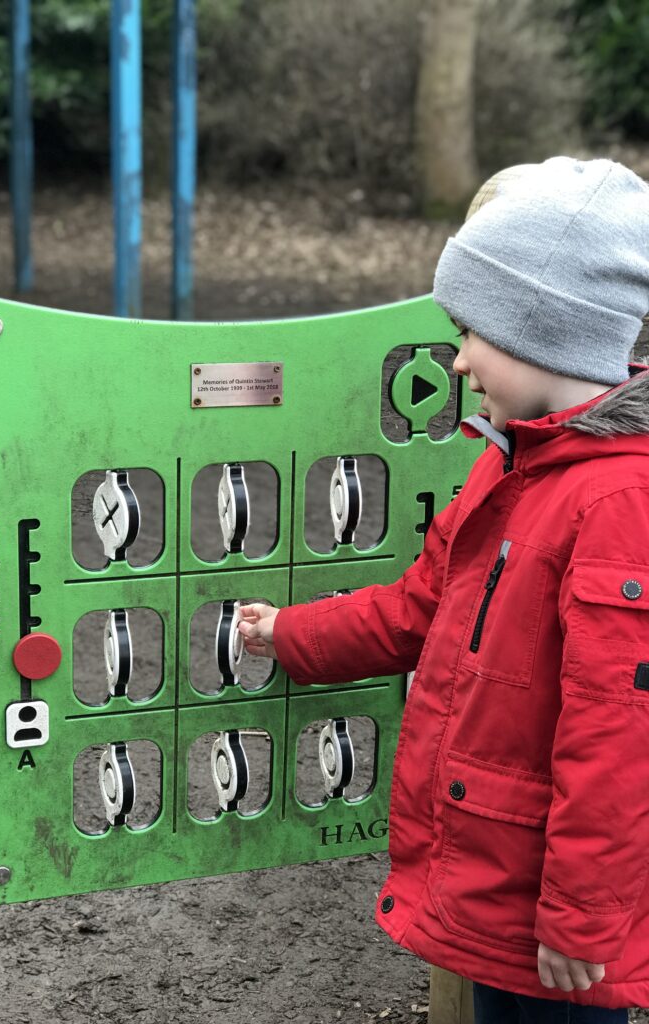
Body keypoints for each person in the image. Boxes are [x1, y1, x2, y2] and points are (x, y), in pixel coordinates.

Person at [238, 156, 649, 1022]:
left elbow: (618, 734)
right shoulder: (512, 468)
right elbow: (422, 606)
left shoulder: (616, 502)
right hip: (500, 878)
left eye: (472, 332)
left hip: (555, 913)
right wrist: (292, 635)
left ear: (544, 331)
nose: (457, 362)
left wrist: (581, 917)